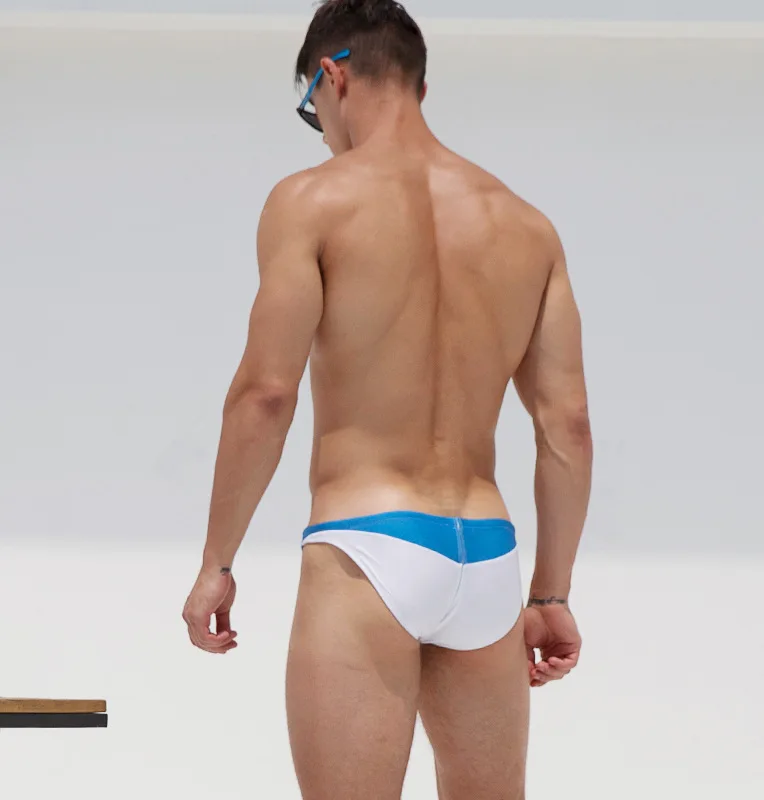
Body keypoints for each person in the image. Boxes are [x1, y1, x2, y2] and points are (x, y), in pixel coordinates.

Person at [182, 1, 593, 798]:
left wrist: (216, 564)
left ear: (331, 77)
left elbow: (266, 394)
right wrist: (550, 593)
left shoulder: (312, 201)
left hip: (367, 548)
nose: (321, 134)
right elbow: (567, 427)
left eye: (312, 111)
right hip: (486, 557)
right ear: (420, 87)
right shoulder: (526, 226)